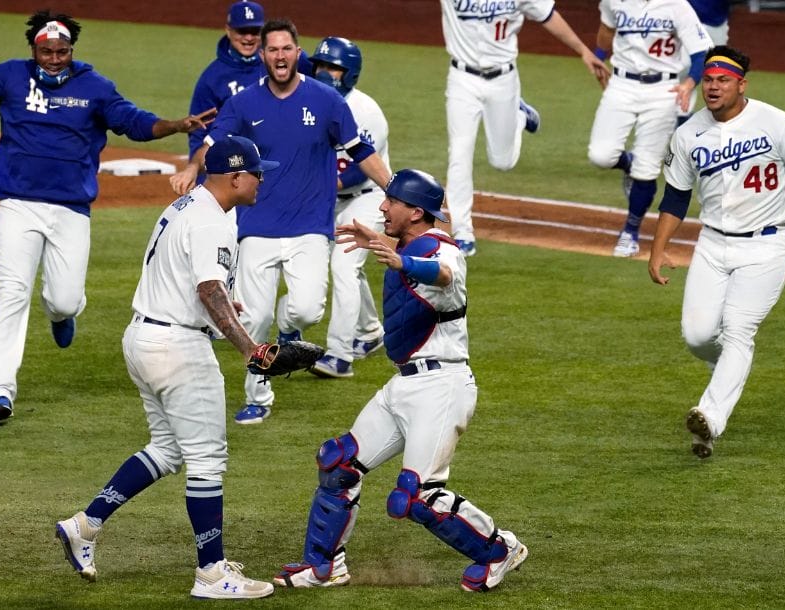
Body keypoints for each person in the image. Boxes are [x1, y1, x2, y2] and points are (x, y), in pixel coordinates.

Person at [0, 7, 214, 425]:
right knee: (11, 292)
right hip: (17, 204)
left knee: (63, 298)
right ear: (34, 49)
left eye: (62, 51)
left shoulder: (94, 87)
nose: (54, 58)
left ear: (71, 50)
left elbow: (131, 122)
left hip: (70, 210)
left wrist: (174, 125)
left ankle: (61, 315)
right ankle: (0, 389)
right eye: (47, 51)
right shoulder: (12, 75)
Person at [272, 169, 528, 592]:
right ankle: (323, 567)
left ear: (415, 212)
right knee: (338, 464)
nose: (382, 206)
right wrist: (387, 246)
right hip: (404, 385)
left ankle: (498, 550)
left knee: (415, 496)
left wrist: (400, 259)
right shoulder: (409, 244)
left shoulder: (445, 250)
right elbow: (416, 262)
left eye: (391, 201)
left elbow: (443, 274)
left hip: (441, 387)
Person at [54, 136, 282, 599]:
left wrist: (221, 309)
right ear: (235, 177)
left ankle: (86, 524)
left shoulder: (189, 204)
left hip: (144, 338)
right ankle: (212, 574)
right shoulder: (211, 221)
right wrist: (249, 348)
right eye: (257, 172)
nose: (262, 179)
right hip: (177, 348)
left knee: (168, 449)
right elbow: (209, 291)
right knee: (206, 459)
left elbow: (193, 282)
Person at [170, 19, 392, 424]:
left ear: (297, 52)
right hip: (256, 224)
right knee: (253, 318)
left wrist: (393, 189)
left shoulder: (327, 101)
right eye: (271, 50)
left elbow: (361, 151)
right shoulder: (244, 103)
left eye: (286, 49)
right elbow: (212, 142)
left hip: (310, 224)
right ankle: (258, 395)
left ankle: (289, 330)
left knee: (307, 310)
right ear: (263, 56)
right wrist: (190, 169)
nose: (279, 56)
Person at [647, 46, 785, 459]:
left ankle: (709, 418)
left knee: (739, 329)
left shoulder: (776, 123)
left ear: (741, 85)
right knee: (697, 336)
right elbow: (675, 197)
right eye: (708, 79)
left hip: (767, 245)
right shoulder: (689, 133)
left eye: (722, 80)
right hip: (712, 243)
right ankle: (724, 371)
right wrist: (658, 249)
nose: (712, 87)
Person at [441, 0, 609, 257]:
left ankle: (519, 116)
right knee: (459, 152)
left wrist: (583, 51)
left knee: (503, 161)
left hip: (503, 80)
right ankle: (463, 232)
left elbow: (549, 15)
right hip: (462, 80)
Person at [290, 36, 389, 379]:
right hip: (330, 199)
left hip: (368, 195)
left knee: (344, 265)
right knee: (341, 266)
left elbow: (354, 173)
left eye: (333, 67)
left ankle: (340, 356)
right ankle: (372, 332)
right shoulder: (310, 101)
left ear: (349, 74)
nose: (324, 72)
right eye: (320, 65)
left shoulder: (365, 111)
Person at [588, 0, 711, 258]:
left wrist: (689, 84)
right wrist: (599, 57)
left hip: (663, 90)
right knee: (600, 155)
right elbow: (606, 30)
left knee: (647, 168)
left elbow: (701, 52)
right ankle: (629, 163)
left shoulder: (677, 6)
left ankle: (630, 232)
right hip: (621, 84)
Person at [186, 1, 266, 164]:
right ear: (228, 30)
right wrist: (199, 173)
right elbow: (199, 132)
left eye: (255, 31)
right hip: (232, 165)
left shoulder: (278, 65)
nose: (249, 38)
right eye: (242, 31)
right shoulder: (212, 78)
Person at [676, 0, 731, 126]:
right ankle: (680, 119)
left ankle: (684, 119)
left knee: (715, 72)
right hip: (684, 20)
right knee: (681, 72)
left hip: (716, 23)